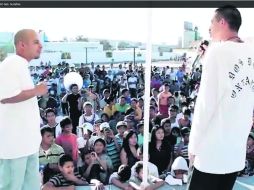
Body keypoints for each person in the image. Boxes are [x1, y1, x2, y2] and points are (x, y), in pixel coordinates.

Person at [188, 6, 254, 190]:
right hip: (235, 152)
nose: (209, 28)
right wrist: (208, 55)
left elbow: (205, 105)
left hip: (212, 153)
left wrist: (193, 146)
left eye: (212, 22)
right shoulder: (250, 50)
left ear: (222, 22)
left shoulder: (216, 53)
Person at [0, 29, 48, 190]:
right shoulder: (11, 64)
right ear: (21, 45)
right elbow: (5, 96)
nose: (40, 46)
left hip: (27, 145)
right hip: (15, 147)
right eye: (35, 42)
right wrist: (37, 91)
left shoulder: (20, 65)